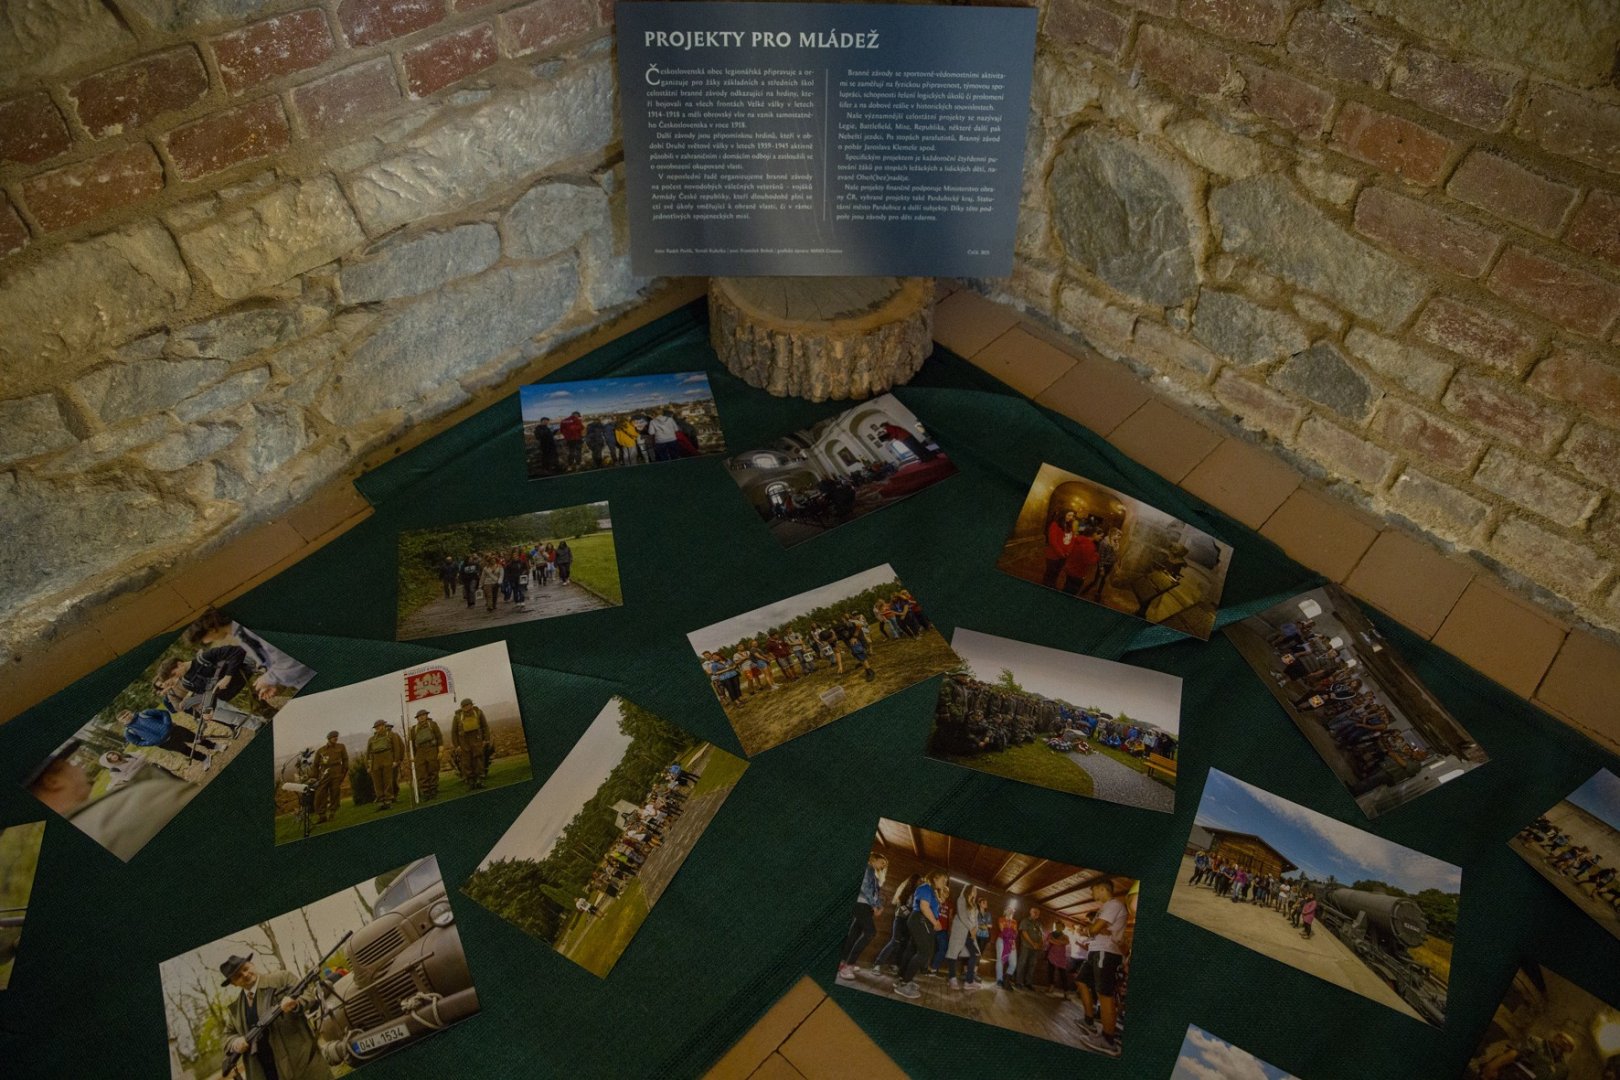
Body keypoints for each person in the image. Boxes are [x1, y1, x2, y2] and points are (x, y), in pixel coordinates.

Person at [219, 953, 332, 1080]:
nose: (245, 974)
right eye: (238, 976)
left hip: (301, 1063)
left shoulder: (281, 978)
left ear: (252, 964)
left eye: (246, 968)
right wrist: (235, 1042)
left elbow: (309, 996)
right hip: (264, 1072)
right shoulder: (236, 1009)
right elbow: (226, 1036)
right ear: (233, 983)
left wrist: (295, 1004)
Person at [1074, 881, 1126, 1058]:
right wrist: (1093, 930)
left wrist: (1091, 929)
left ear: (1103, 889)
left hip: (1106, 951)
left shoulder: (1114, 904)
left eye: (1094, 889)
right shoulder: (1103, 908)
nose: (1092, 892)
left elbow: (1093, 929)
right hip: (1095, 951)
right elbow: (1095, 930)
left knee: (1104, 994)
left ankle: (1108, 1040)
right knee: (1081, 981)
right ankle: (1089, 1021)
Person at [893, 870, 947, 999]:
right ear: (935, 878)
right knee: (925, 952)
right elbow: (924, 907)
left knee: (912, 949)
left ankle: (902, 978)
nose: (944, 883)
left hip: (921, 920)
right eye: (943, 880)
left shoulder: (931, 890)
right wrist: (935, 922)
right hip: (921, 919)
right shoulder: (926, 887)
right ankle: (905, 983)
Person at [114, 708, 226, 768]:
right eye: (123, 717)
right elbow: (138, 742)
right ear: (122, 722)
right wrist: (152, 742)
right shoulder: (128, 732)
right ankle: (204, 759)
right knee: (184, 750)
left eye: (126, 714)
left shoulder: (144, 713)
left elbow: (163, 713)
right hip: (164, 743)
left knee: (196, 738)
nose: (126, 717)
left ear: (130, 712)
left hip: (174, 730)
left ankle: (216, 746)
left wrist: (167, 724)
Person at [837, 852, 888, 979]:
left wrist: (878, 906)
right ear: (874, 859)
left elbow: (874, 894)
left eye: (884, 865)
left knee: (854, 934)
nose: (883, 866)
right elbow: (865, 888)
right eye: (882, 862)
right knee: (870, 932)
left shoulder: (873, 873)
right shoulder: (868, 869)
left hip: (865, 905)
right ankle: (848, 966)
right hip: (862, 904)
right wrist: (875, 905)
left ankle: (842, 962)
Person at [873, 875, 919, 973]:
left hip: (910, 921)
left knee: (904, 943)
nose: (921, 883)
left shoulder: (918, 893)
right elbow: (900, 905)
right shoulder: (905, 891)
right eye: (919, 881)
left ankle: (895, 964)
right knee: (895, 941)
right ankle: (878, 964)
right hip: (900, 918)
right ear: (914, 881)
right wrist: (910, 912)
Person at [363, 720, 403, 811]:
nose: (378, 728)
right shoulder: (371, 739)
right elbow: (368, 754)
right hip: (375, 763)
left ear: (384, 726)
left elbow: (396, 748)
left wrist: (396, 761)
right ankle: (381, 802)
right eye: (376, 727)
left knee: (387, 782)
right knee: (377, 783)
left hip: (388, 761)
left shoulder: (391, 735)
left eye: (380, 726)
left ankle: (388, 801)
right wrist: (368, 766)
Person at [452, 697, 491, 788]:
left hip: (476, 740)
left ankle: (480, 780)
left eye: (468, 705)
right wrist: (457, 745)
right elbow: (454, 732)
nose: (466, 707)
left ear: (471, 705)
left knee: (478, 761)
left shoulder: (478, 713)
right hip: (463, 742)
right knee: (466, 762)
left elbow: (485, 726)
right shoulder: (457, 717)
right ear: (461, 707)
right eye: (464, 706)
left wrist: (486, 739)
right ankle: (471, 782)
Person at [311, 731, 348, 823]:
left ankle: (332, 812)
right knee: (320, 794)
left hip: (337, 773)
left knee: (335, 793)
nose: (335, 738)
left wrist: (343, 773)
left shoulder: (341, 747)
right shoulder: (321, 750)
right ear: (329, 739)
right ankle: (322, 815)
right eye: (333, 737)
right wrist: (314, 777)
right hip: (324, 774)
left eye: (336, 737)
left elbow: (345, 760)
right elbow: (315, 765)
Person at [410, 709, 443, 800]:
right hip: (420, 752)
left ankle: (433, 789)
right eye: (419, 716)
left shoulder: (432, 725)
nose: (421, 717)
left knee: (433, 770)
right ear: (417, 718)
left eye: (423, 715)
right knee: (421, 773)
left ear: (426, 716)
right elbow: (412, 744)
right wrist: (413, 756)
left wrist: (440, 750)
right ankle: (425, 792)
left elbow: (439, 737)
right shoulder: (414, 729)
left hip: (432, 749)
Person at [1043, 509, 1078, 588]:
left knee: (1057, 573)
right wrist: (1061, 553)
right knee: (1050, 573)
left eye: (1072, 516)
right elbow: (1053, 541)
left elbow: (1072, 540)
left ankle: (1052, 586)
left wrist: (1068, 552)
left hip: (1064, 556)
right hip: (1054, 555)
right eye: (1069, 515)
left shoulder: (1069, 526)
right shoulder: (1055, 525)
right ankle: (1045, 586)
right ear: (1063, 515)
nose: (1071, 517)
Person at [1016, 905, 1044, 990]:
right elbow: (1024, 932)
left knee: (1032, 965)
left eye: (1038, 913)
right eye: (1034, 912)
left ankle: (1028, 982)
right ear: (1030, 912)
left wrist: (1039, 944)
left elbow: (1041, 935)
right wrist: (1033, 943)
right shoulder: (1025, 921)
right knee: (1022, 963)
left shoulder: (1039, 924)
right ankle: (1018, 982)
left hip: (1036, 948)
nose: (1036, 914)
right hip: (1026, 946)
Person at [995, 907, 1019, 988]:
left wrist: (1013, 942)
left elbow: (1015, 933)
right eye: (1009, 910)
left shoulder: (1014, 921)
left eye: (1012, 910)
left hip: (1011, 942)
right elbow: (1003, 930)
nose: (1011, 911)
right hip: (1002, 940)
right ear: (1005, 911)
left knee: (1013, 963)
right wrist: (1012, 931)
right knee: (1000, 960)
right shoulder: (1001, 919)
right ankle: (999, 980)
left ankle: (1006, 979)